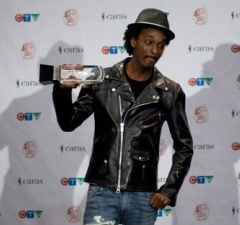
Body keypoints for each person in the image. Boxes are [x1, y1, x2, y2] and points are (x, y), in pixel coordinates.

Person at [52, 8, 193, 225]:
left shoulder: (170, 91)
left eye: (161, 45)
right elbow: (68, 122)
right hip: (103, 192)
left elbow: (184, 147)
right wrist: (62, 91)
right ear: (134, 40)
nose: (155, 49)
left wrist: (170, 189)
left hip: (143, 198)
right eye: (149, 41)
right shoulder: (101, 81)